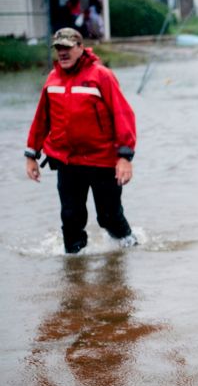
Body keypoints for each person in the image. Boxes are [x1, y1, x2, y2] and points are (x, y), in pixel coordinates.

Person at [25, 28, 137, 254]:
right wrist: (31, 155)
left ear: (80, 48)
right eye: (58, 48)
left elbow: (123, 115)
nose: (62, 53)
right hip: (67, 162)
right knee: (71, 218)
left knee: (108, 217)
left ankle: (130, 248)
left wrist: (124, 158)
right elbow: (41, 119)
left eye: (66, 47)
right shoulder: (52, 78)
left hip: (103, 161)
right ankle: (74, 271)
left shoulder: (101, 75)